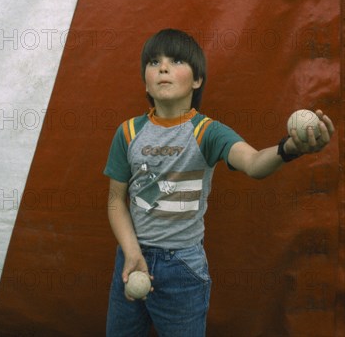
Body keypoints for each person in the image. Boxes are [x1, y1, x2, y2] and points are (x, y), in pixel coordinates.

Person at [103, 28, 335, 337]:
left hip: (182, 267)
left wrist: (288, 149)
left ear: (197, 80)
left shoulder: (207, 132)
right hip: (131, 256)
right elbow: (116, 200)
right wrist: (132, 253)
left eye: (175, 61)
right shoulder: (128, 132)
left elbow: (253, 163)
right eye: (154, 62)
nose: (162, 67)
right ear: (145, 79)